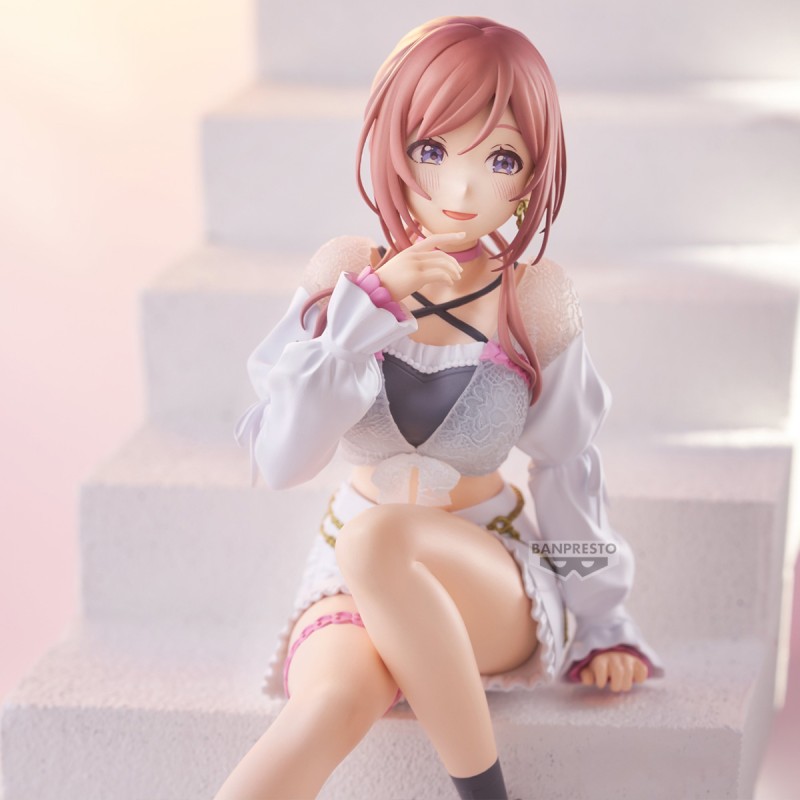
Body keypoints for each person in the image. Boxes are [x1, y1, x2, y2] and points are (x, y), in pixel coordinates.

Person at [219, 16, 665, 800]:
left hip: (489, 570)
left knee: (378, 539)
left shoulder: (534, 300)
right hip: (349, 567)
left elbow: (567, 468)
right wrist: (364, 315)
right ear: (392, 143)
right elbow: (280, 460)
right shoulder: (344, 278)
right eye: (432, 149)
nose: (461, 190)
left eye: (501, 159)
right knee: (328, 703)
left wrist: (603, 622)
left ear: (532, 176)